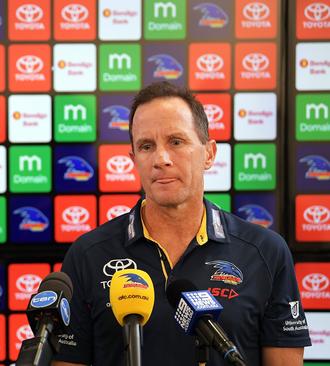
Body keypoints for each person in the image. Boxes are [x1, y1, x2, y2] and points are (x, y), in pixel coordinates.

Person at [53, 82, 311, 365]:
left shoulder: (266, 252)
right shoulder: (88, 254)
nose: (161, 159)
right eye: (146, 146)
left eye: (176, 142)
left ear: (209, 154)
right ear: (134, 160)